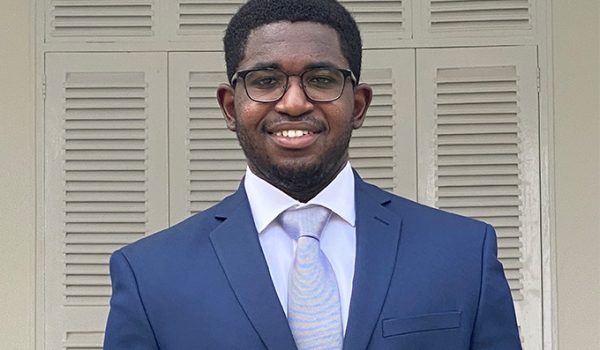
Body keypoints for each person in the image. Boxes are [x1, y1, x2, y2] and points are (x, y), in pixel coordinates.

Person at [103, 0, 522, 349]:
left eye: (321, 79)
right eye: (266, 80)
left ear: (358, 105)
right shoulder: (149, 275)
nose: (294, 102)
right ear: (231, 107)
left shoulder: (463, 254)